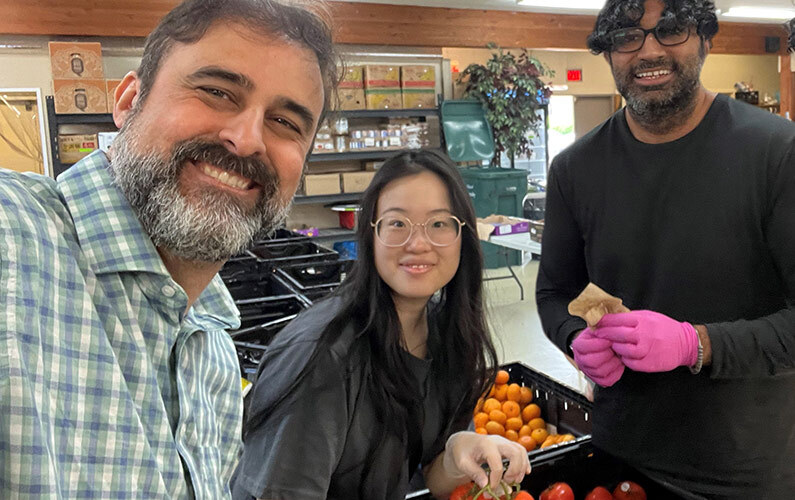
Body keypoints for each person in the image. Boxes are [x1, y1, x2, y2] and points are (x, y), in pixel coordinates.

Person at [0, 0, 336, 498]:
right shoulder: (15, 241)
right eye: (218, 91)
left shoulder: (214, 353)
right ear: (129, 100)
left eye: (286, 123)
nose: (246, 139)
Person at [535, 0, 795, 498]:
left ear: (705, 39)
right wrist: (574, 338)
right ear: (608, 54)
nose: (649, 50)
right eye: (627, 36)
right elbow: (553, 292)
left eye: (671, 30)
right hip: (619, 460)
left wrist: (695, 344)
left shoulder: (777, 153)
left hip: (750, 470)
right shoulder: (575, 170)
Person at [232, 150, 531, 500]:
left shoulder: (445, 334)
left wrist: (455, 454)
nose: (418, 244)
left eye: (439, 224)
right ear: (370, 236)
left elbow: (430, 479)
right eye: (397, 223)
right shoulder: (320, 358)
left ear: (462, 236)